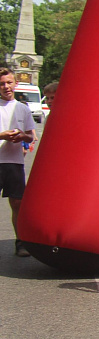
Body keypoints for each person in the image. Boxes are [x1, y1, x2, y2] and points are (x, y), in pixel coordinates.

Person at [0, 68, 36, 257]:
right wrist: (2, 135)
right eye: (2, 84)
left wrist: (22, 136)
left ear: (15, 84)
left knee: (17, 203)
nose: (6, 87)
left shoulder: (23, 108)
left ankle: (20, 242)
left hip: (14, 162)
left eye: (9, 82)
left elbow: (30, 137)